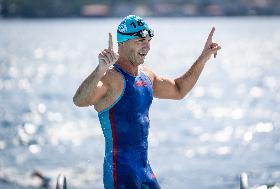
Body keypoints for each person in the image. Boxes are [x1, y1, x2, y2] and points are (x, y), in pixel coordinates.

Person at [73, 15, 221, 189]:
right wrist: (100, 70)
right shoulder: (110, 78)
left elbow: (179, 90)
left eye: (149, 41)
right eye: (140, 41)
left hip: (145, 170)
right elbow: (79, 100)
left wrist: (203, 57)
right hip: (120, 173)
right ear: (123, 43)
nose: (147, 47)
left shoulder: (147, 76)